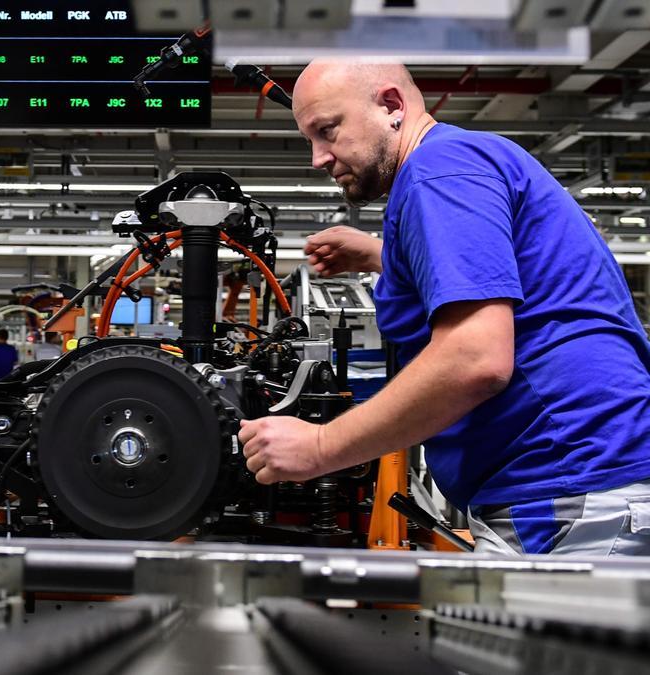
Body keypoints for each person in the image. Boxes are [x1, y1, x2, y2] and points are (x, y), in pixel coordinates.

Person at [239, 61, 650, 556]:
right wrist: (382, 256)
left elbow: (474, 359)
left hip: (569, 486)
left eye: (327, 130)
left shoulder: (439, 172)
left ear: (391, 106)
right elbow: (507, 270)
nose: (318, 158)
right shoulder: (459, 162)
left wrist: (319, 448)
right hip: (570, 481)